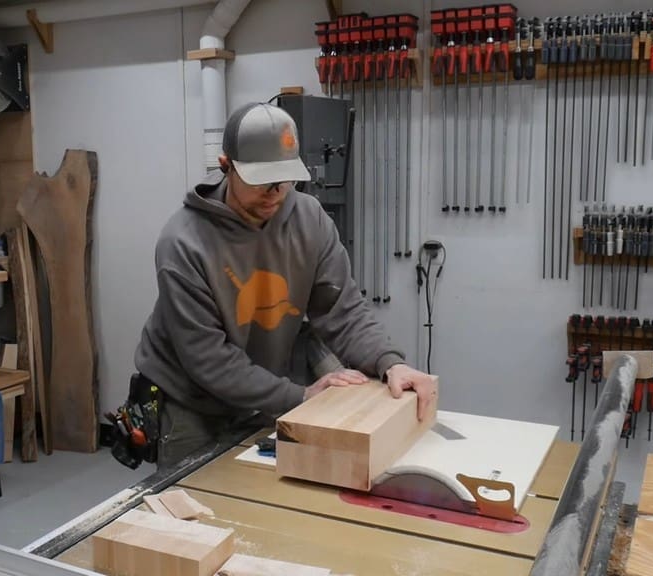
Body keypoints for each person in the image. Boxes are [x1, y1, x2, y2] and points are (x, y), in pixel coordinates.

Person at [132, 102, 437, 470]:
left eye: (285, 179)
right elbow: (208, 359)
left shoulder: (310, 220)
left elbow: (343, 310)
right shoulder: (183, 243)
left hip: (261, 388)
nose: (276, 192)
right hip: (191, 401)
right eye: (262, 181)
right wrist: (299, 395)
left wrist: (390, 363)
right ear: (226, 166)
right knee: (194, 505)